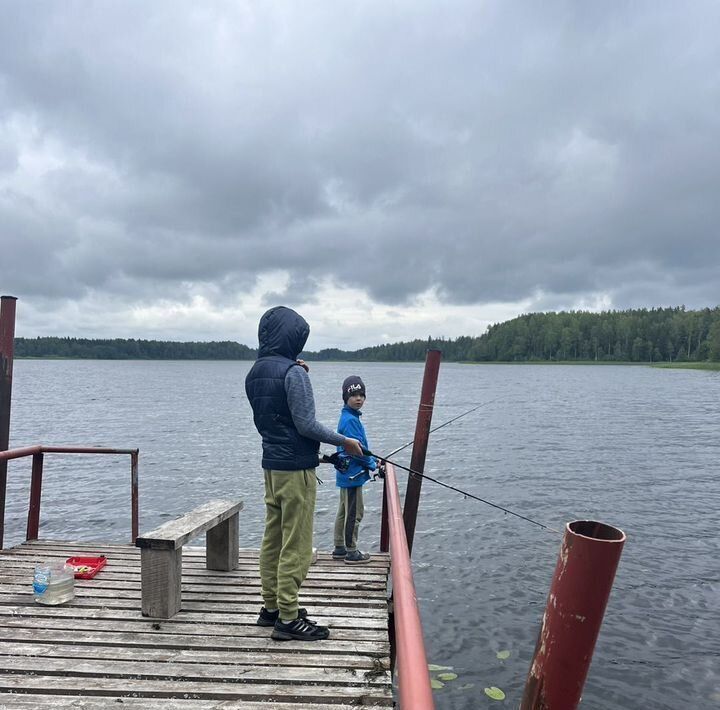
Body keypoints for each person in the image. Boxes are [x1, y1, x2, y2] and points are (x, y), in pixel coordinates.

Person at [245, 306, 363, 642]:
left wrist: (291, 368)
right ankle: (288, 617)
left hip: (271, 467)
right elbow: (306, 425)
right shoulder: (295, 374)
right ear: (292, 338)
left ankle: (271, 608)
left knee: (273, 540)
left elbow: (276, 416)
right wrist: (346, 442)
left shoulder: (255, 372)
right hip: (297, 471)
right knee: (297, 543)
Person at [331, 375, 377, 565]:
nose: (359, 398)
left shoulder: (349, 417)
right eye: (354, 395)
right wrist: (372, 463)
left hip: (347, 474)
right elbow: (356, 449)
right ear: (345, 397)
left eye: (362, 395)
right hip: (353, 475)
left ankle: (339, 547)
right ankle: (351, 551)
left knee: (344, 511)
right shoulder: (350, 420)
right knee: (354, 513)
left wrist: (371, 458)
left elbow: (360, 447)